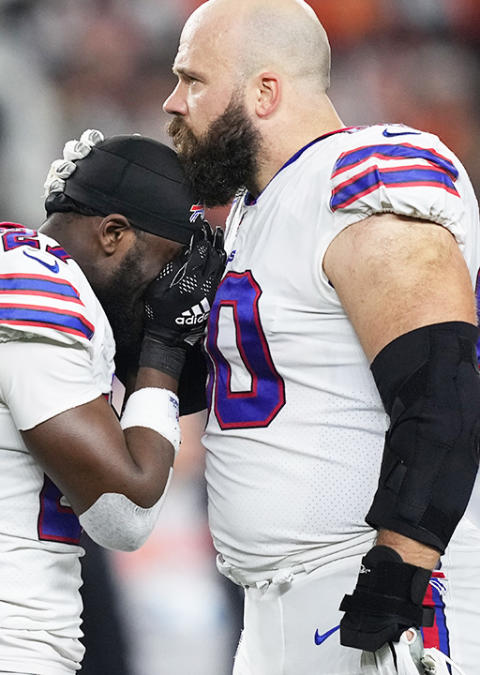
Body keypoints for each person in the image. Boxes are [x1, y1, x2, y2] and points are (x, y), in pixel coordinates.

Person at [162, 1, 480, 671]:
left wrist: (398, 577)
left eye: (192, 80)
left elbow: (441, 396)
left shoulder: (363, 175)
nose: (173, 101)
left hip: (376, 600)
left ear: (264, 91)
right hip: (273, 612)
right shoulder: (255, 208)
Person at [0, 132, 225, 674]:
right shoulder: (32, 292)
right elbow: (125, 514)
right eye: (168, 271)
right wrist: (162, 346)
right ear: (113, 233)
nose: (168, 294)